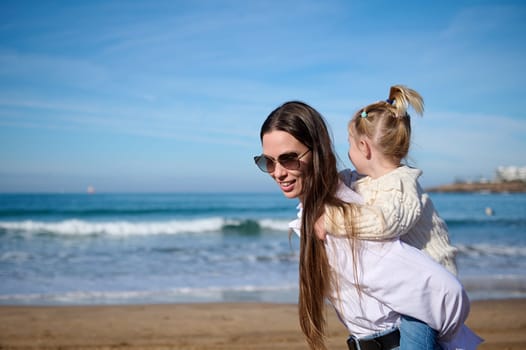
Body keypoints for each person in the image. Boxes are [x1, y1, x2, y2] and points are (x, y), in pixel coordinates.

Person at [253, 101, 482, 350]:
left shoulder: (347, 214)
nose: (278, 172)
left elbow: (443, 289)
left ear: (317, 151)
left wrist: (447, 334)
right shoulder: (319, 210)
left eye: (288, 159)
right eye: (268, 162)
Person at [323, 85, 458, 349]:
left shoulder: (402, 184)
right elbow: (342, 182)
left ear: (364, 147)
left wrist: (329, 222)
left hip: (427, 291)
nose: (347, 153)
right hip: (407, 284)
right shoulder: (365, 179)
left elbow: (385, 223)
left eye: (349, 144)